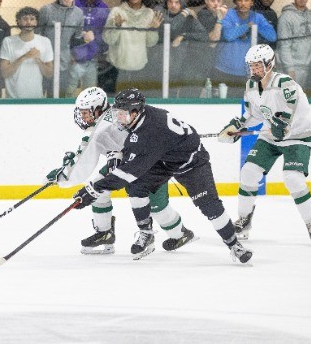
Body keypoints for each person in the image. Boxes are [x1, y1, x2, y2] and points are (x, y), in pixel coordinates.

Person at [73, 88, 252, 263]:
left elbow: (128, 172)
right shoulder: (139, 119)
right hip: (164, 161)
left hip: (192, 164)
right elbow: (130, 153)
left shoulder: (149, 133)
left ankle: (234, 245)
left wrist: (94, 189)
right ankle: (146, 233)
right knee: (136, 187)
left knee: (209, 206)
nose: (118, 118)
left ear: (135, 112)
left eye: (122, 114)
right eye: (117, 113)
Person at [49, 86, 195, 255]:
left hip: (149, 164)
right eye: (80, 112)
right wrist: (68, 168)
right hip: (124, 164)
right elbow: (88, 151)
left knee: (158, 209)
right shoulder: (103, 122)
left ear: (98, 109)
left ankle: (181, 234)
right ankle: (104, 232)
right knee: (96, 187)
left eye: (86, 112)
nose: (82, 116)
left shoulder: (115, 119)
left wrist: (65, 174)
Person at [218, 44, 311, 244]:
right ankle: (244, 219)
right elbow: (252, 115)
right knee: (248, 171)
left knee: (293, 179)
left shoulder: (285, 83)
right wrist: (236, 126)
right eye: (251, 66)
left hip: (297, 137)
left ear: (269, 64)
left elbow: (287, 118)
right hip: (271, 137)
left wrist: (280, 125)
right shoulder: (250, 86)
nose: (254, 70)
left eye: (258, 66)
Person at [213, 0, 277, 96]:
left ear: (252, 2)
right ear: (235, 2)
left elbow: (272, 36)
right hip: (223, 69)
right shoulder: (229, 15)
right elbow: (228, 35)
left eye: (246, 0)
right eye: (240, 0)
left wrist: (256, 27)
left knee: (242, 105)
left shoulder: (258, 17)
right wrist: (247, 26)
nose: (243, 3)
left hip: (245, 72)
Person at [102, 0, 163, 92]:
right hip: (117, 66)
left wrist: (153, 29)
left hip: (139, 67)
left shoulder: (149, 13)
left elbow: (151, 43)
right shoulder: (117, 11)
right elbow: (108, 39)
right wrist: (117, 26)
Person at [36, 0, 94, 97]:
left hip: (63, 65)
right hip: (43, 63)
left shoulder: (78, 13)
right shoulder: (47, 10)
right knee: (38, 96)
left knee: (58, 98)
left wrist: (85, 39)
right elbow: (36, 35)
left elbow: (75, 39)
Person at [151, 0, 209, 96]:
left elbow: (204, 35)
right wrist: (184, 13)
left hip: (182, 62)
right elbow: (171, 28)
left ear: (181, 3)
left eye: (177, 2)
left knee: (183, 93)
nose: (173, 5)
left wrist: (184, 35)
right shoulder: (161, 12)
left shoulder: (189, 17)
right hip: (161, 62)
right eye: (170, 2)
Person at [0, 7, 54, 98]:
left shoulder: (45, 41)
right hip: (13, 99)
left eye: (32, 19)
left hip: (36, 98)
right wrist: (23, 57)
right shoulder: (8, 41)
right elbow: (4, 73)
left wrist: (38, 60)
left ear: (36, 22)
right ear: (18, 22)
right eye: (25, 19)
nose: (28, 22)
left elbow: (49, 74)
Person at [71, 0, 110, 96]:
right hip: (74, 57)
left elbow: (104, 32)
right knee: (69, 91)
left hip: (92, 58)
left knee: (90, 93)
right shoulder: (74, 3)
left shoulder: (103, 8)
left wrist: (100, 51)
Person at [276, 0, 311, 86]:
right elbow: (284, 45)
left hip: (308, 67)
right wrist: (289, 70)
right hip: (291, 68)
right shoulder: (285, 17)